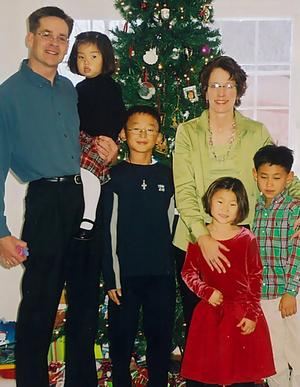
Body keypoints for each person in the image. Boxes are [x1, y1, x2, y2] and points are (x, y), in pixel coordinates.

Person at [0, 7, 117, 387]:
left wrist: (110, 150)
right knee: (38, 309)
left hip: (84, 198)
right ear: (30, 37)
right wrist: (1, 232)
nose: (54, 43)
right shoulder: (8, 95)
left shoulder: (70, 89)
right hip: (46, 204)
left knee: (84, 309)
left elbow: (87, 141)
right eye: (47, 34)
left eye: (62, 37)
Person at [172, 55, 300, 329]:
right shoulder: (188, 132)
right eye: (215, 85)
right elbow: (184, 188)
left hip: (242, 245)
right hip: (195, 242)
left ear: (239, 90)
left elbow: (278, 174)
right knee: (203, 329)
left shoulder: (256, 132)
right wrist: (202, 236)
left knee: (239, 329)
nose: (222, 93)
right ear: (204, 90)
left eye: (229, 85)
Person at [101, 105, 176, 387]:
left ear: (158, 137)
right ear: (123, 133)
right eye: (136, 128)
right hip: (125, 279)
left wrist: (171, 269)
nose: (143, 135)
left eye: (150, 129)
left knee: (160, 340)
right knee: (121, 341)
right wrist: (112, 278)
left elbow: (173, 225)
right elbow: (107, 230)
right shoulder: (114, 176)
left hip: (160, 276)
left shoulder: (168, 176)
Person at [181, 177, 275, 387]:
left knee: (241, 376)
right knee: (206, 376)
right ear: (210, 201)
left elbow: (256, 277)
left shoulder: (246, 238)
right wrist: (206, 291)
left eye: (232, 204)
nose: (225, 209)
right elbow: (188, 272)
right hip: (210, 316)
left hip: (240, 315)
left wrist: (252, 315)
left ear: (240, 207)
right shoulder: (200, 237)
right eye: (220, 201)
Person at [68, 31, 126, 240]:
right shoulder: (78, 88)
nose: (86, 62)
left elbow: (119, 115)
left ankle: (88, 218)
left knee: (88, 174)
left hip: (101, 140)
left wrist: (110, 138)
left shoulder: (111, 88)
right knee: (78, 175)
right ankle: (81, 215)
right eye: (81, 57)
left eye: (93, 56)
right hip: (81, 139)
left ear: (105, 58)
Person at [252, 145, 300, 387]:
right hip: (265, 295)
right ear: (255, 175)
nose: (269, 183)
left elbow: (298, 253)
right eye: (264, 176)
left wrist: (291, 291)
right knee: (272, 356)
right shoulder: (257, 210)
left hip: (292, 294)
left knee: (297, 352)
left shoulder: (294, 209)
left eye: (277, 177)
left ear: (289, 178)